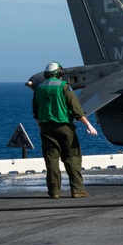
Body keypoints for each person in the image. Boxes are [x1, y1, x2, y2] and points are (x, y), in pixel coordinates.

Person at [32, 62, 98, 198]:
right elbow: (76, 109)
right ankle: (77, 190)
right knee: (72, 157)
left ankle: (54, 191)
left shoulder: (39, 88)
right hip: (64, 127)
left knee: (51, 159)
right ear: (60, 73)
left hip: (45, 128)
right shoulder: (64, 86)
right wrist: (88, 125)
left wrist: (41, 127)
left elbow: (35, 112)